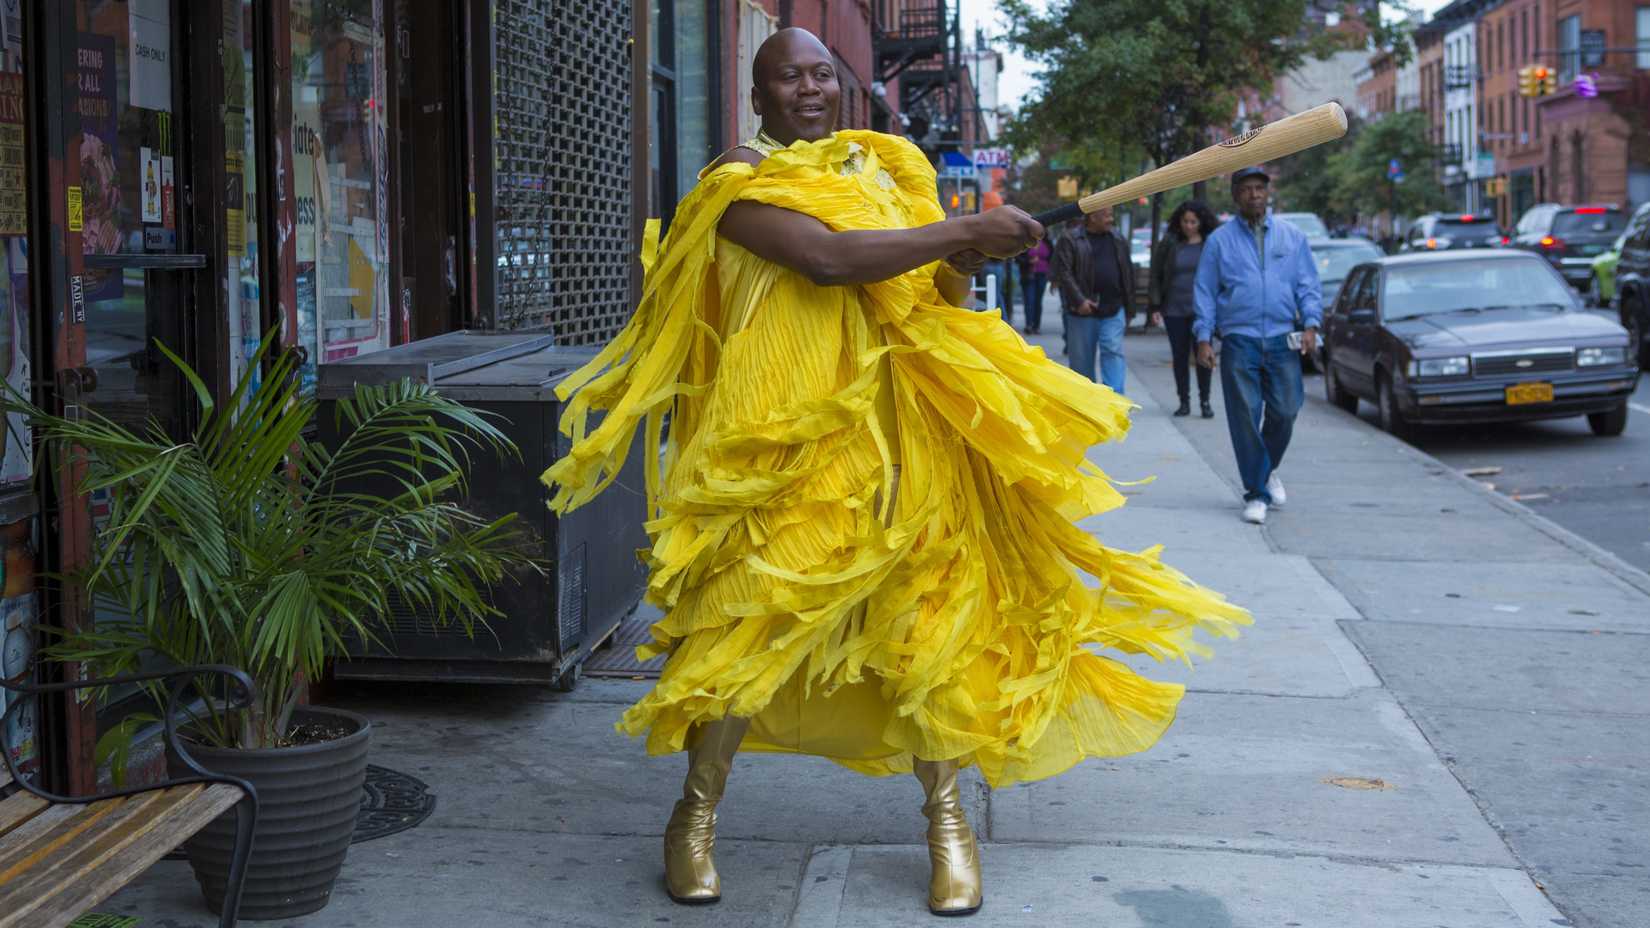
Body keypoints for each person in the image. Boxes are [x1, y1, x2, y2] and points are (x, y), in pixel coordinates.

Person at [542, 28, 1247, 916]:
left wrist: (958, 262)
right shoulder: (736, 181)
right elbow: (826, 261)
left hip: (903, 438)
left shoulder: (881, 172)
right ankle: (695, 816)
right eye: (789, 77)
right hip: (783, 448)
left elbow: (924, 294)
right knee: (745, 624)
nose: (811, 88)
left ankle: (947, 823)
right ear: (756, 99)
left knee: (930, 621)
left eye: (821, 74)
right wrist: (963, 227)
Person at [1193, 167, 1323, 525]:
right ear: (1236, 195)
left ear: (1268, 193)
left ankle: (1264, 469)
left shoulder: (1292, 237)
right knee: (1245, 416)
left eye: (1259, 189)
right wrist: (1203, 337)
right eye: (1247, 189)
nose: (1254, 195)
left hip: (1282, 336)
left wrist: (1311, 324)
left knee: (1286, 410)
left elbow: (1308, 284)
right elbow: (1205, 291)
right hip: (1239, 337)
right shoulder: (1219, 241)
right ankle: (1256, 493)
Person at [1149, 200, 1220, 418]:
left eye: (1193, 222)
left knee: (1203, 354)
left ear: (1201, 222)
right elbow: (1156, 274)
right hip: (1174, 309)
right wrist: (1155, 305)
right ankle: (1184, 401)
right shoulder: (1170, 243)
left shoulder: (1210, 243)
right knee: (1179, 357)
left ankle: (1205, 401)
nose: (1189, 226)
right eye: (1185, 221)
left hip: (1202, 311)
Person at [1050, 205, 1133, 392]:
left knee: (1113, 351)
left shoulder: (1118, 238)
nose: (1111, 219)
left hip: (1113, 307)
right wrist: (1079, 300)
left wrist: (1129, 307)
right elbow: (1064, 272)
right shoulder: (1070, 238)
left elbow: (1127, 273)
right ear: (1093, 216)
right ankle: (1088, 402)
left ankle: (1115, 400)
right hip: (1082, 311)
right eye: (1106, 215)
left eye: (1111, 215)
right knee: (1081, 364)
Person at [1017, 236, 1052, 334]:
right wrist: (1028, 261)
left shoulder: (1047, 242)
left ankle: (1036, 326)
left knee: (1038, 301)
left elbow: (1052, 257)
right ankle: (1029, 325)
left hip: (1042, 275)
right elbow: (1018, 257)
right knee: (1029, 300)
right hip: (1028, 275)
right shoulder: (1025, 240)